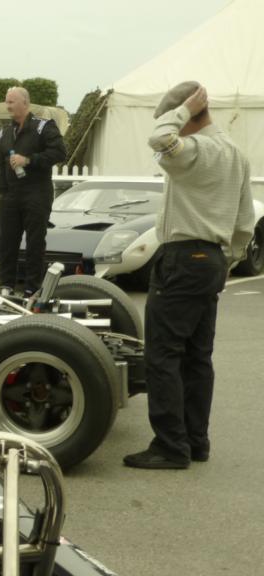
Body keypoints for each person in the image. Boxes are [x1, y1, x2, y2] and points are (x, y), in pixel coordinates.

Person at [124, 82, 254, 470]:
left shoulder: (194, 149)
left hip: (183, 257)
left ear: (188, 115)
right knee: (198, 357)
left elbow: (159, 139)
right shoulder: (236, 154)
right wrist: (224, 262)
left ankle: (170, 445)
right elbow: (244, 222)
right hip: (211, 258)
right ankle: (196, 440)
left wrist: (180, 111)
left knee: (163, 354)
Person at [0, 86, 66, 296]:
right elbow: (1, 164)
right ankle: (6, 285)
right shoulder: (4, 132)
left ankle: (32, 287)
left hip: (36, 192)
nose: (8, 106)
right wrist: (2, 193)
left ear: (25, 103)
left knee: (35, 242)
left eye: (11, 102)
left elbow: (59, 152)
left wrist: (28, 160)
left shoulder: (43, 127)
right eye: (7, 102)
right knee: (7, 241)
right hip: (11, 194)